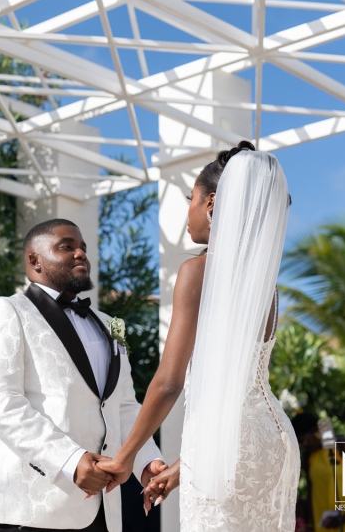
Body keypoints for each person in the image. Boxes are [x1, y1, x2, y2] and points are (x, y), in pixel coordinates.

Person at [98, 142, 299, 531]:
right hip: (272, 441)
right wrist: (184, 464)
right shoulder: (265, 284)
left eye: (190, 197)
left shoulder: (197, 272)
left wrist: (125, 456)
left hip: (228, 448)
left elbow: (169, 382)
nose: (186, 210)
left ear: (210, 204)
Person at [0, 219, 167, 532]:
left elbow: (123, 405)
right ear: (34, 260)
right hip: (30, 509)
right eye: (66, 246)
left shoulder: (110, 324)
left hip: (102, 511)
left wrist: (146, 461)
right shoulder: (6, 311)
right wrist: (70, 459)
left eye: (83, 248)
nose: (80, 254)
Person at [291, 412, 345, 532]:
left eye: (305, 440)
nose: (305, 445)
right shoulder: (310, 457)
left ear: (315, 430)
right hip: (323, 524)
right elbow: (311, 491)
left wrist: (344, 517)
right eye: (301, 444)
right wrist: (311, 524)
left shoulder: (342, 446)